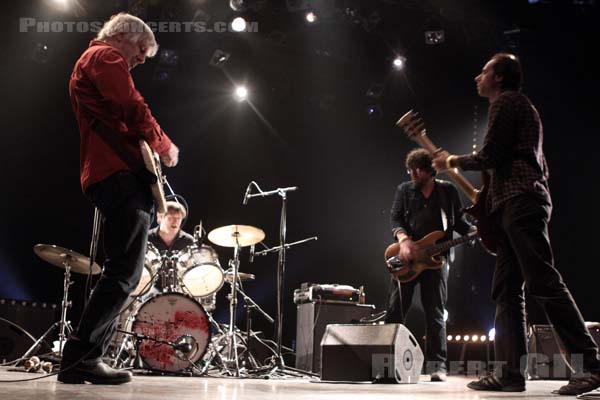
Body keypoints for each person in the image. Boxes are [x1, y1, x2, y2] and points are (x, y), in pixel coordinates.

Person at [432, 53, 600, 395]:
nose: (477, 77)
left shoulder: (507, 102)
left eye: (484, 72)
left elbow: (491, 155)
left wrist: (449, 161)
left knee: (543, 281)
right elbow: (497, 169)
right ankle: (510, 374)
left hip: (522, 202)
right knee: (507, 290)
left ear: (500, 78)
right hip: (513, 203)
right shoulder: (516, 106)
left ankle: (591, 367)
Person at [58, 13, 179, 385]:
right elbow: (132, 107)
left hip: (114, 174)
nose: (142, 60)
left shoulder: (96, 62)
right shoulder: (104, 57)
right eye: (141, 50)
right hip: (117, 175)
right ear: (123, 36)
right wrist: (165, 145)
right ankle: (81, 357)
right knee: (124, 271)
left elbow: (122, 119)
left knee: (123, 271)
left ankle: (84, 359)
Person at [387, 148, 473, 382]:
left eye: (417, 170)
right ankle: (386, 363)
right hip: (406, 257)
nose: (412, 174)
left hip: (437, 261)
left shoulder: (448, 191)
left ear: (429, 170)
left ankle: (437, 367)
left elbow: (461, 225)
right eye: (410, 170)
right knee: (395, 309)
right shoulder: (404, 190)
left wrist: (476, 232)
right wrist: (403, 241)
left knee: (435, 313)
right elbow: (395, 218)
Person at [147, 201, 194, 293]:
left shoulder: (188, 241)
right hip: (150, 288)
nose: (176, 221)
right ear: (160, 218)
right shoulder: (147, 238)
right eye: (170, 218)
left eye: (179, 218)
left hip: (180, 289)